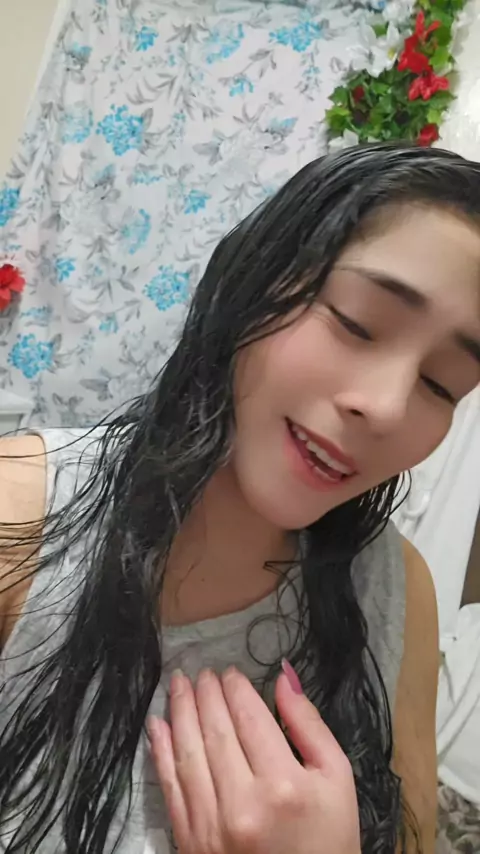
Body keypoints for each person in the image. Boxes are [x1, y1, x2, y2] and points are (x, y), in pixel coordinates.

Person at [1, 142, 479, 854]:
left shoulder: (398, 590)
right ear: (250, 278)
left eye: (441, 385)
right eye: (356, 323)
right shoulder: (21, 512)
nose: (386, 407)